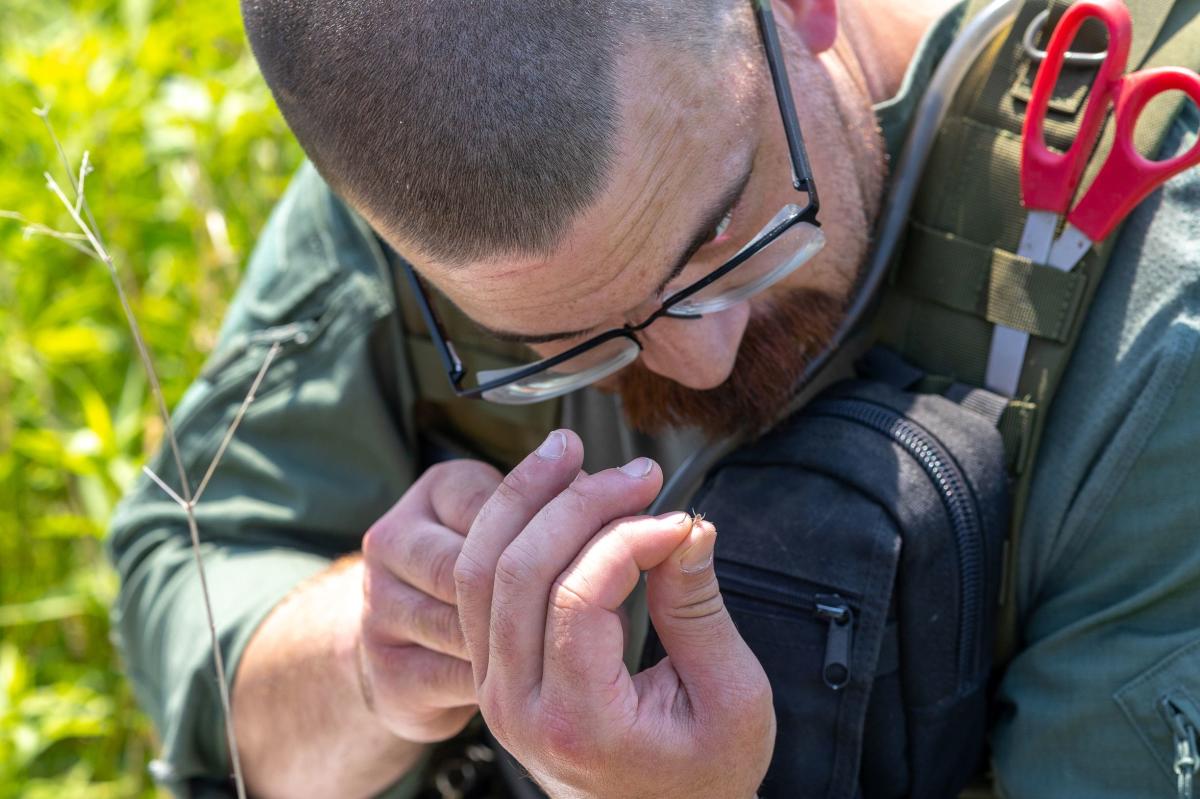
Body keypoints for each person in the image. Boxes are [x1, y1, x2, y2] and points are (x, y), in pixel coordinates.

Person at [107, 0, 1200, 797]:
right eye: (561, 338)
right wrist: (373, 660)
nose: (702, 367)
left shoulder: (1154, 306)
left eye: (726, 229)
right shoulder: (441, 145)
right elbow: (198, 593)